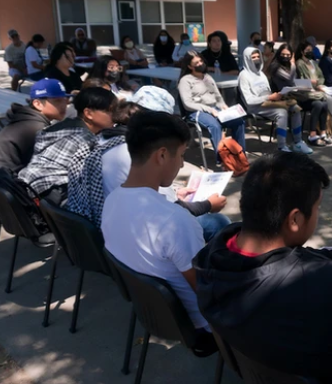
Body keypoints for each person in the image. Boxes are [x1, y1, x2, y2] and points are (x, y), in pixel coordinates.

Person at [193, 152, 332, 384]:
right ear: (294, 220)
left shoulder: (213, 253)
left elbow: (295, 257)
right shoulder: (328, 284)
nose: (318, 214)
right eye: (317, 207)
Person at [102, 111, 218, 357]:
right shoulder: (174, 220)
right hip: (202, 328)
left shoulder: (111, 202)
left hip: (154, 315)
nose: (182, 164)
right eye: (182, 155)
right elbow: (208, 292)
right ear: (163, 155)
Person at [68, 87, 231, 239]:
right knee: (218, 222)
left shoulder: (105, 139)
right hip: (136, 233)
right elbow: (172, 209)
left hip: (109, 226)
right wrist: (208, 205)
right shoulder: (136, 153)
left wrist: (175, 192)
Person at [18, 87, 116, 206]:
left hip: (32, 190)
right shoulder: (86, 141)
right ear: (88, 113)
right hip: (58, 197)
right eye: (111, 110)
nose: (116, 115)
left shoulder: (59, 127)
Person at [178, 51, 247, 166]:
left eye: (201, 61)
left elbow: (217, 97)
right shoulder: (185, 81)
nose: (200, 64)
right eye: (196, 63)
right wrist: (209, 110)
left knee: (238, 122)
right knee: (215, 125)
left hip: (215, 108)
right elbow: (187, 104)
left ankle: (240, 155)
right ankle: (222, 160)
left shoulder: (208, 77)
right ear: (190, 66)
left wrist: (223, 106)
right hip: (196, 111)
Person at [239, 47, 312, 154]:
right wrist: (269, 98)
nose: (257, 59)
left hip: (269, 102)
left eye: (258, 56)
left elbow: (267, 91)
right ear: (247, 59)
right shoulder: (244, 76)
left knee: (295, 108)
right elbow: (249, 100)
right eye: (253, 57)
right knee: (281, 113)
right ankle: (281, 147)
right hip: (255, 107)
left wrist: (279, 96)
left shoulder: (261, 74)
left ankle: (298, 142)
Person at [267, 44, 331, 147]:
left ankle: (321, 133)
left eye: (288, 55)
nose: (285, 57)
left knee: (322, 103)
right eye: (283, 54)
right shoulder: (276, 67)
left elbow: (295, 81)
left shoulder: (289, 66)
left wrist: (304, 86)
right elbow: (289, 78)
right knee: (317, 104)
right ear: (279, 54)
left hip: (295, 95)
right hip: (284, 98)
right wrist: (293, 63)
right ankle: (312, 135)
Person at [0, 79, 69, 173]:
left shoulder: (23, 120)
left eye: (65, 100)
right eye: (57, 101)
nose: (64, 105)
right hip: (10, 183)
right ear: (37, 104)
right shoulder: (38, 130)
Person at [296, 42, 332, 133]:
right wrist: (315, 85)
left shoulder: (313, 63)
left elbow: (321, 76)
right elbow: (302, 80)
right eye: (307, 50)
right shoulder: (300, 63)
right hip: (309, 90)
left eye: (311, 50)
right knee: (329, 99)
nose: (310, 52)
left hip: (320, 86)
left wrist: (319, 84)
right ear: (302, 51)